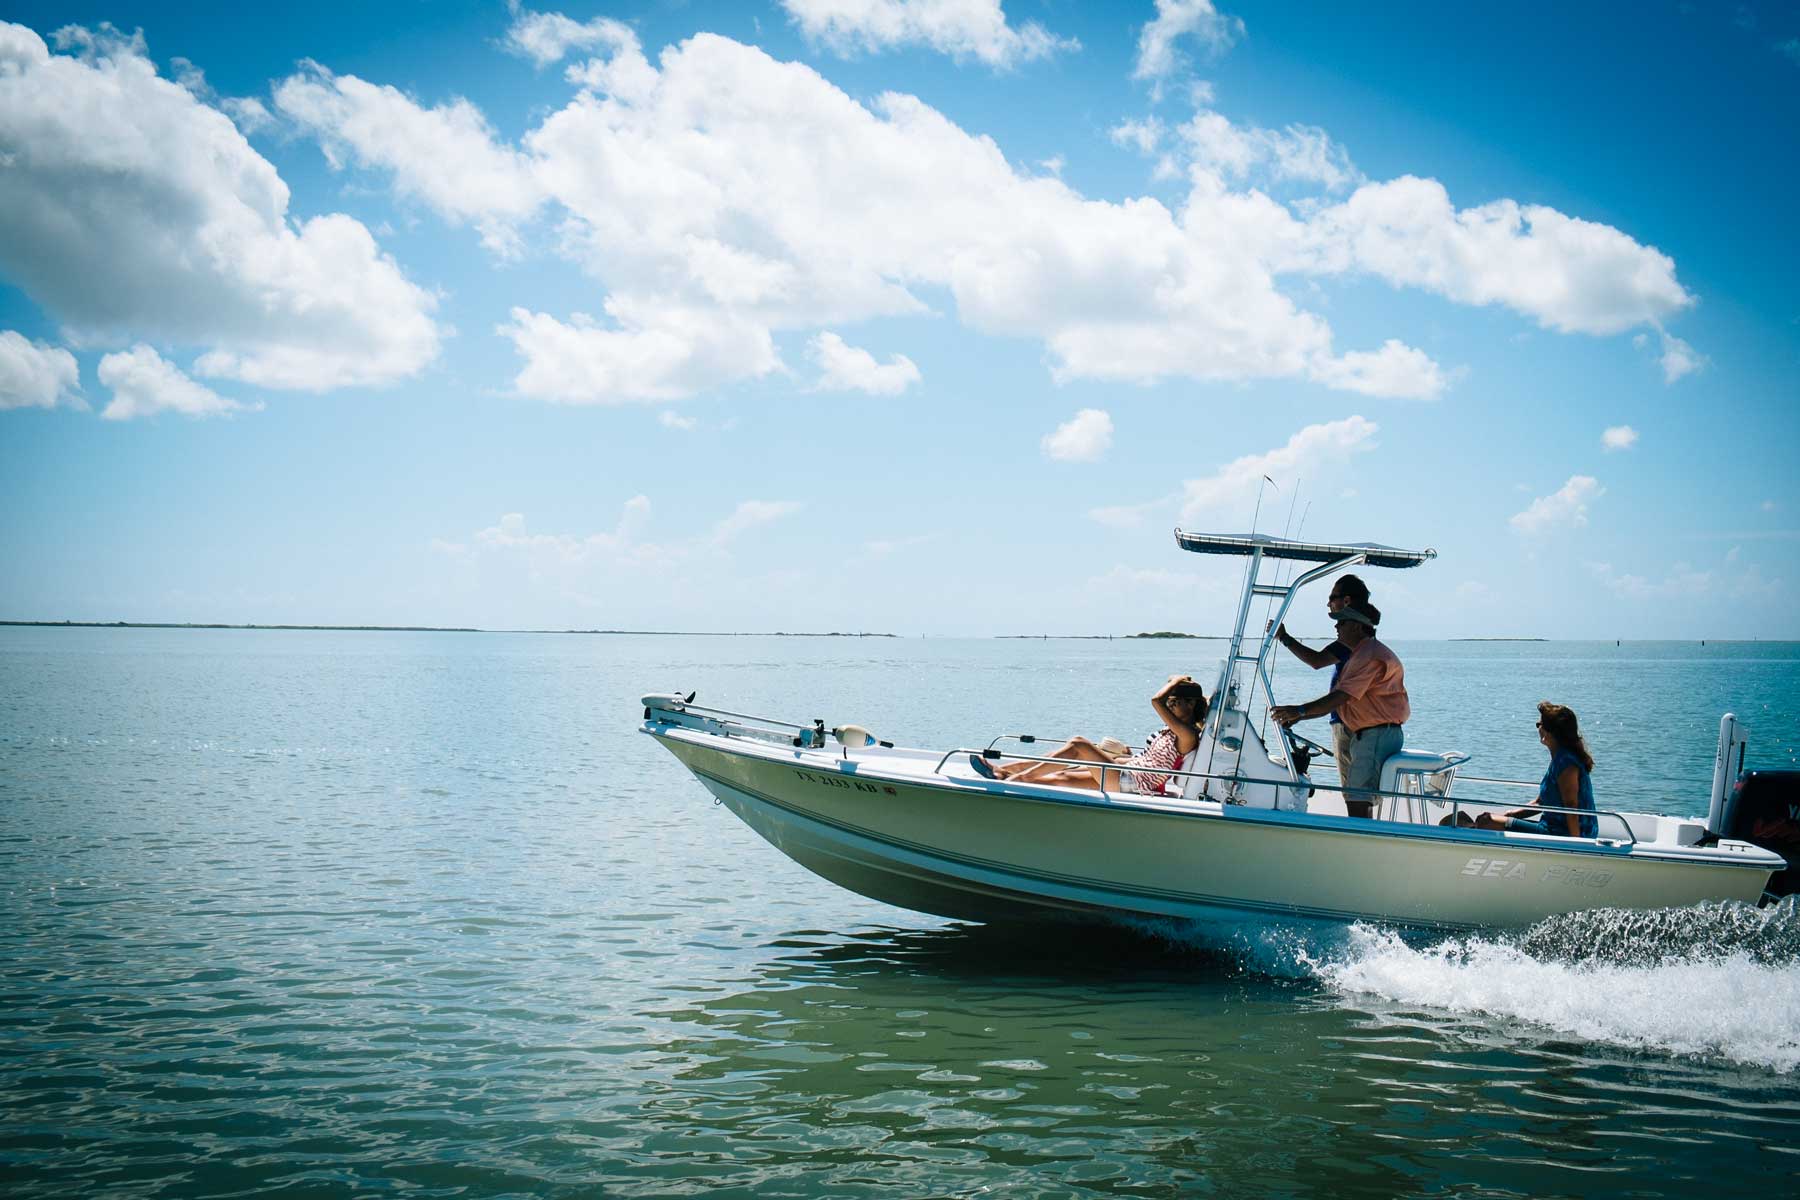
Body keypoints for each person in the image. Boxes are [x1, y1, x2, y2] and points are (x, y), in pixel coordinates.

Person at [1270, 604, 1408, 818]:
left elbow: (1340, 696)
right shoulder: (1361, 653)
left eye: (1342, 622)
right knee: (1357, 797)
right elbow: (1338, 702)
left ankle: (1360, 847)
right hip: (1370, 734)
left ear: (1356, 626)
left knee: (1357, 799)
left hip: (1375, 735)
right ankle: (1361, 841)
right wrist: (1299, 716)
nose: (1336, 626)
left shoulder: (1369, 656)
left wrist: (1299, 710)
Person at [971, 676, 1208, 795]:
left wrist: (1176, 679)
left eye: (1176, 702)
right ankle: (1004, 772)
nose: (1171, 705)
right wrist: (1123, 756)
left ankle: (1015, 779)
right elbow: (1153, 760)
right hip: (1127, 774)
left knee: (1078, 744)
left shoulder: (1186, 734)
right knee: (1062, 776)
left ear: (1191, 704)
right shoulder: (1173, 731)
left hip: (1132, 783)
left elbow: (1155, 701)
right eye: (1171, 701)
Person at [1274, 573, 1370, 787]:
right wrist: (1302, 716)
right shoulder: (1362, 635)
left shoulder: (1353, 637)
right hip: (1351, 723)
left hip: (1349, 726)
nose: (1328, 603)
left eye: (1332, 597)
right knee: (1358, 790)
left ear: (1346, 601)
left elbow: (1316, 661)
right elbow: (1337, 697)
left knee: (1354, 792)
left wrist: (1284, 638)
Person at [1469, 702, 1597, 837]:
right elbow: (1540, 803)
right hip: (1551, 827)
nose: (1538, 728)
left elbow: (1571, 806)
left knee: (1487, 821)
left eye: (1539, 724)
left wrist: (1575, 844)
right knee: (1479, 819)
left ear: (1550, 731)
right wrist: (1510, 814)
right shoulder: (1559, 759)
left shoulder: (1566, 762)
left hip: (1563, 833)